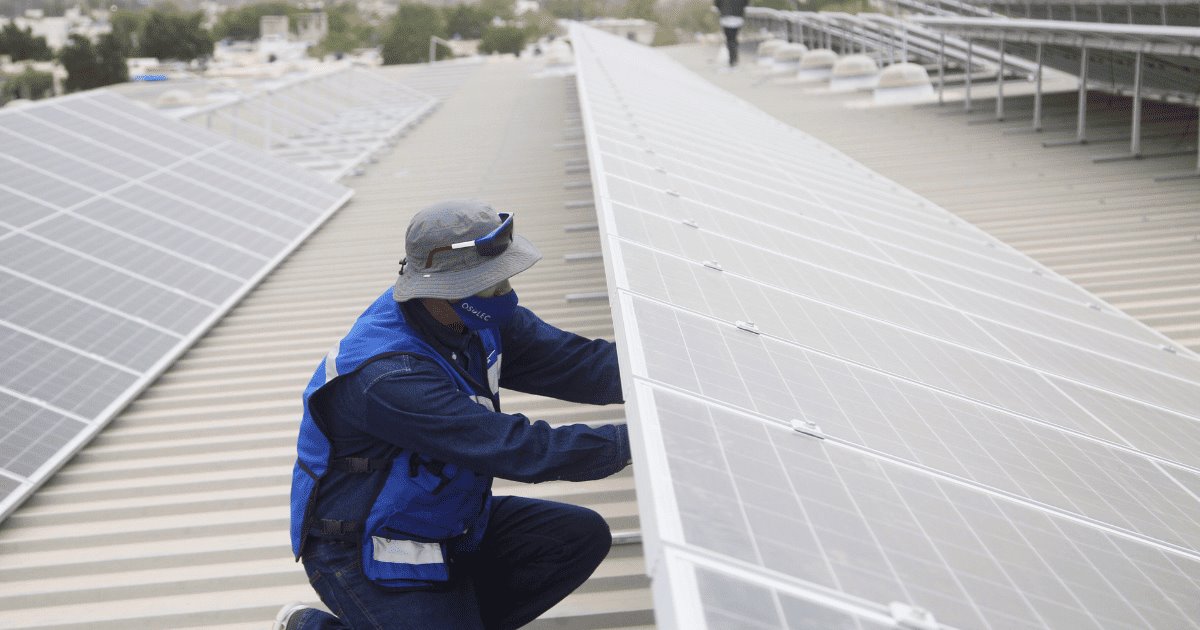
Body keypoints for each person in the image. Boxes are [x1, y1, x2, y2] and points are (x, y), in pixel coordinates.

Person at [275, 200, 632, 630]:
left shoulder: (473, 319)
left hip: (448, 520)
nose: (505, 292)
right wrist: (636, 444)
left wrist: (668, 372)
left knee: (574, 538)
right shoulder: (388, 375)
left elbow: (576, 364)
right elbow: (512, 447)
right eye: (489, 283)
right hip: (370, 549)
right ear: (443, 287)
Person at [715, 0, 751, 68]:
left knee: (730, 39)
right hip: (738, 16)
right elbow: (746, 3)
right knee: (734, 38)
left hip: (726, 17)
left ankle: (732, 58)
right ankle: (734, 57)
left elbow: (717, 3)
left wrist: (722, 9)